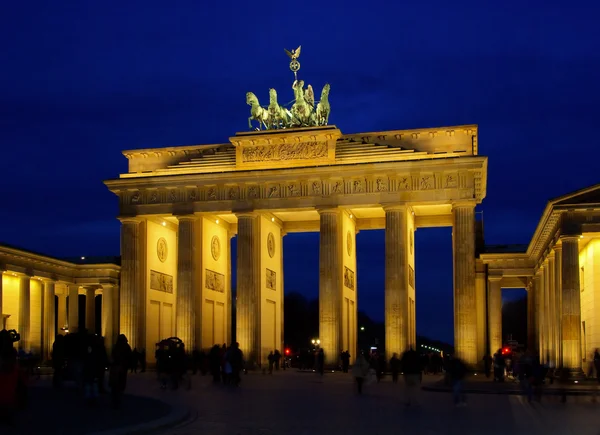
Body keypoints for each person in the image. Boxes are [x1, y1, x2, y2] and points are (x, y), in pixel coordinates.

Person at [109, 334, 132, 409]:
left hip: (116, 367)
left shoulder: (115, 346)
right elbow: (129, 357)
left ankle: (115, 399)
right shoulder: (126, 347)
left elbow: (112, 356)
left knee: (115, 385)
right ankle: (118, 399)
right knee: (121, 384)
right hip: (122, 367)